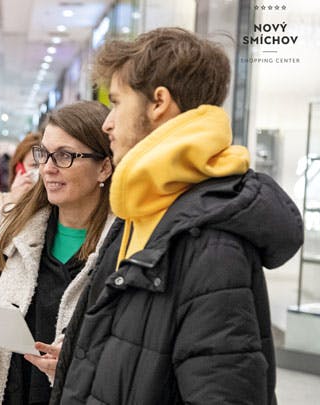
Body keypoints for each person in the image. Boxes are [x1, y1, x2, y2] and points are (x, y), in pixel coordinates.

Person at [50, 28, 303, 405]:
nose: (107, 123)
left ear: (158, 103)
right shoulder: (145, 209)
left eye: (117, 103)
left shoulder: (210, 241)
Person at [0, 101, 115, 405]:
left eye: (64, 156)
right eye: (44, 154)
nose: (47, 167)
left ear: (104, 166)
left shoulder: (123, 240)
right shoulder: (14, 221)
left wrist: (80, 362)